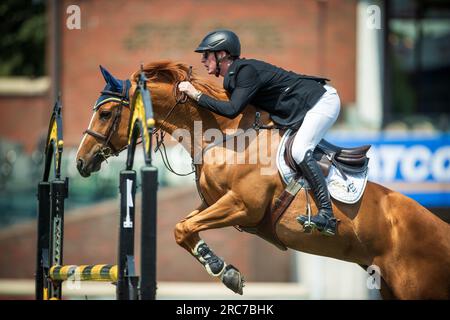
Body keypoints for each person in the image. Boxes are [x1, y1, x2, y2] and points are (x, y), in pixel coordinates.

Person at [178, 29, 340, 236]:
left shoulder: (245, 71)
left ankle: (327, 215)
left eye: (206, 54)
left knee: (299, 150)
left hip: (321, 102)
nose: (202, 59)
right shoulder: (233, 77)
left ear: (222, 54)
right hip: (302, 108)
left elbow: (231, 110)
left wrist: (196, 94)